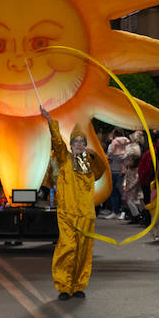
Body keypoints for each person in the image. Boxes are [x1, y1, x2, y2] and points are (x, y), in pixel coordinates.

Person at [42, 109, 106, 300]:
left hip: (86, 215)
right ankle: (64, 286)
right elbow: (58, 142)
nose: (78, 145)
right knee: (67, 248)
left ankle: (78, 285)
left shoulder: (89, 164)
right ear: (71, 145)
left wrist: (93, 153)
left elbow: (101, 170)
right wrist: (50, 121)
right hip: (67, 214)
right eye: (75, 142)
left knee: (83, 251)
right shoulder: (64, 159)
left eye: (81, 142)